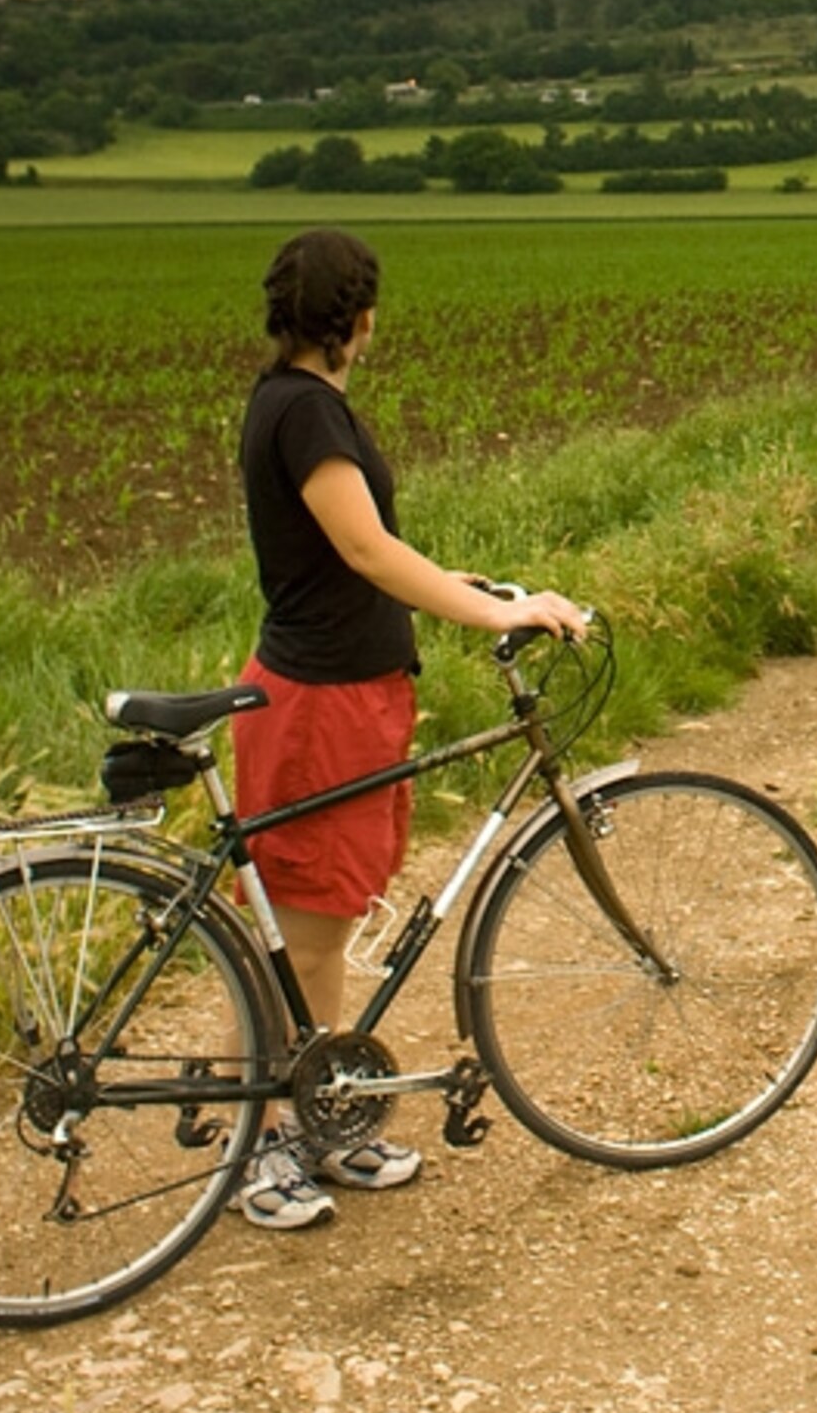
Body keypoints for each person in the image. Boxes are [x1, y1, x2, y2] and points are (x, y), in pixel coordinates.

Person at [230, 225, 591, 1230]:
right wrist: (497, 613)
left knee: (324, 922)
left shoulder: (293, 403)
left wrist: (451, 584)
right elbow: (362, 549)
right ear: (358, 319)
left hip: (344, 691)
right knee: (303, 934)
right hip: (318, 706)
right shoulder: (306, 412)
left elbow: (367, 551)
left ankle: (318, 1118)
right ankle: (259, 1150)